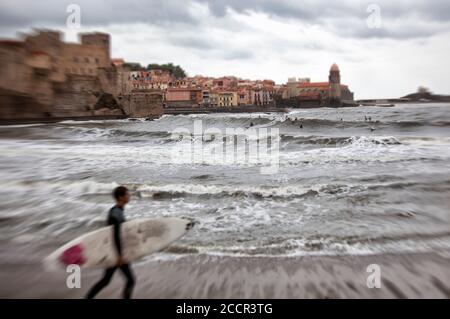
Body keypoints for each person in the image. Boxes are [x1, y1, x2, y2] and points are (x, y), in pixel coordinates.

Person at [86, 186, 135, 299]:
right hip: (116, 254)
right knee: (130, 280)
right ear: (121, 197)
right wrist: (119, 256)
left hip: (114, 252)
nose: (129, 196)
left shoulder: (117, 211)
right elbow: (115, 236)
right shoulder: (116, 213)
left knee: (106, 280)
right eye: (127, 194)